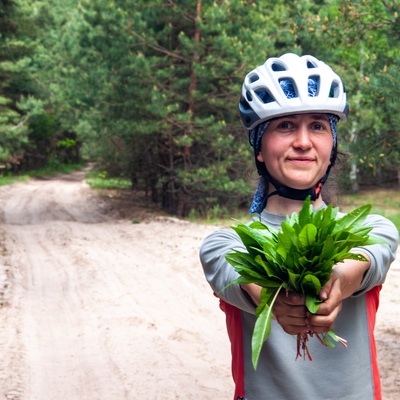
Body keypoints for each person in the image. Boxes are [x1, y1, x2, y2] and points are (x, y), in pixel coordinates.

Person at [199, 53, 399, 400]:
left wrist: (334, 281)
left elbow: (364, 258)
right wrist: (275, 301)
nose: (304, 142)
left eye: (318, 126)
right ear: (259, 147)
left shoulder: (372, 227)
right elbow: (241, 274)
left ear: (332, 144)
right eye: (285, 125)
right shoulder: (225, 244)